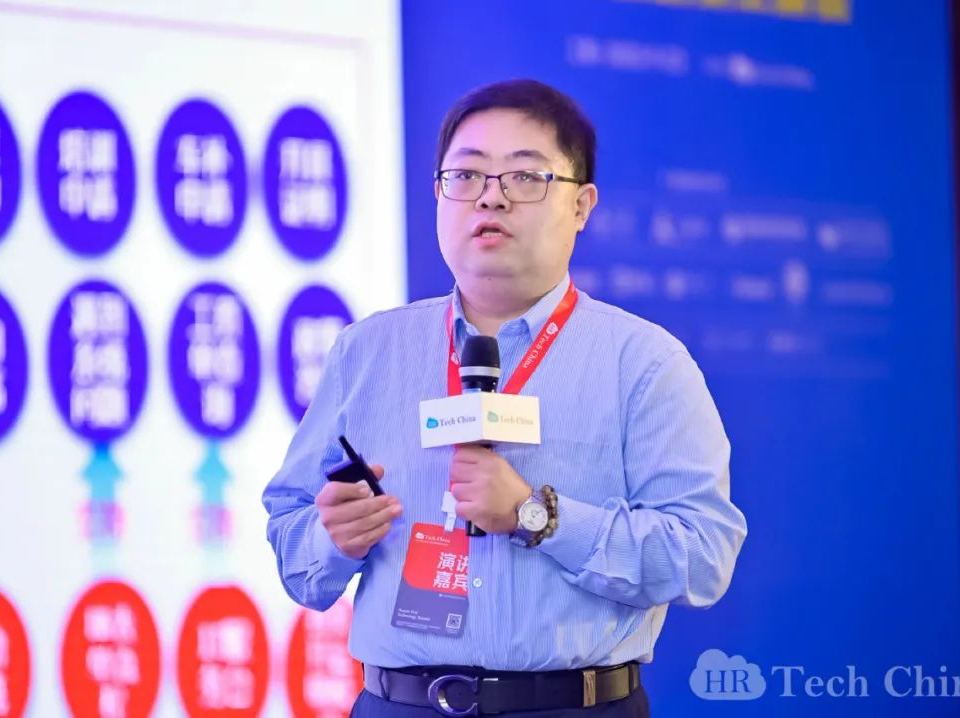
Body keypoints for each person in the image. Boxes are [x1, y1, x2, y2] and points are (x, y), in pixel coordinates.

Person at [263, 79, 747, 717]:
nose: (491, 196)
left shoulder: (643, 362)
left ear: (582, 205)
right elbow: (294, 543)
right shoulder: (368, 352)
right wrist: (334, 538)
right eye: (466, 175)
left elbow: (701, 556)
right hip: (399, 705)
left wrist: (536, 516)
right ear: (438, 194)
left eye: (525, 177)